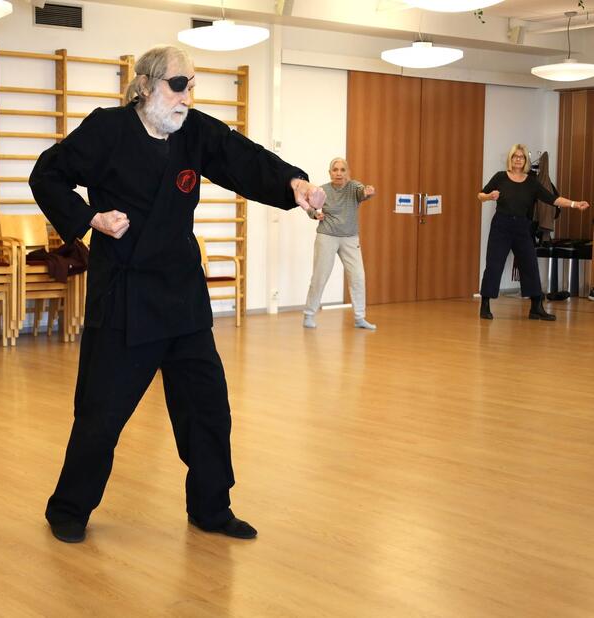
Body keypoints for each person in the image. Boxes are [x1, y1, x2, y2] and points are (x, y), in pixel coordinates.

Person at [29, 45, 324, 544]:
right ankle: (68, 508)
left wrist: (294, 184)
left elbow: (243, 159)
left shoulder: (194, 131)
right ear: (146, 85)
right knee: (102, 414)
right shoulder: (107, 129)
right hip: (124, 295)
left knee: (208, 409)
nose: (188, 95)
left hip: (182, 297)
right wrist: (90, 219)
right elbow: (47, 174)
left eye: (192, 84)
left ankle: (211, 507)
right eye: (178, 84)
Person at [478, 144, 589, 320]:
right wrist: (490, 196)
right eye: (515, 156)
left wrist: (575, 204)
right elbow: (480, 195)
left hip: (522, 227)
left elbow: (552, 199)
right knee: (494, 264)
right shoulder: (500, 177)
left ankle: (536, 307)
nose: (518, 159)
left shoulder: (531, 182)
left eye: (521, 157)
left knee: (530, 264)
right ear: (511, 159)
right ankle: (485, 305)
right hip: (501, 225)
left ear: (525, 161)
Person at [302, 157, 376, 330]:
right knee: (320, 277)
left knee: (358, 276)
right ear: (330, 173)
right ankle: (309, 315)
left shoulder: (354, 187)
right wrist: (315, 215)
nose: (339, 173)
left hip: (350, 238)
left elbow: (362, 193)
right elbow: (310, 207)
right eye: (335, 170)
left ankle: (360, 318)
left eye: (343, 170)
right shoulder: (323, 190)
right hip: (327, 236)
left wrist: (368, 192)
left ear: (348, 172)